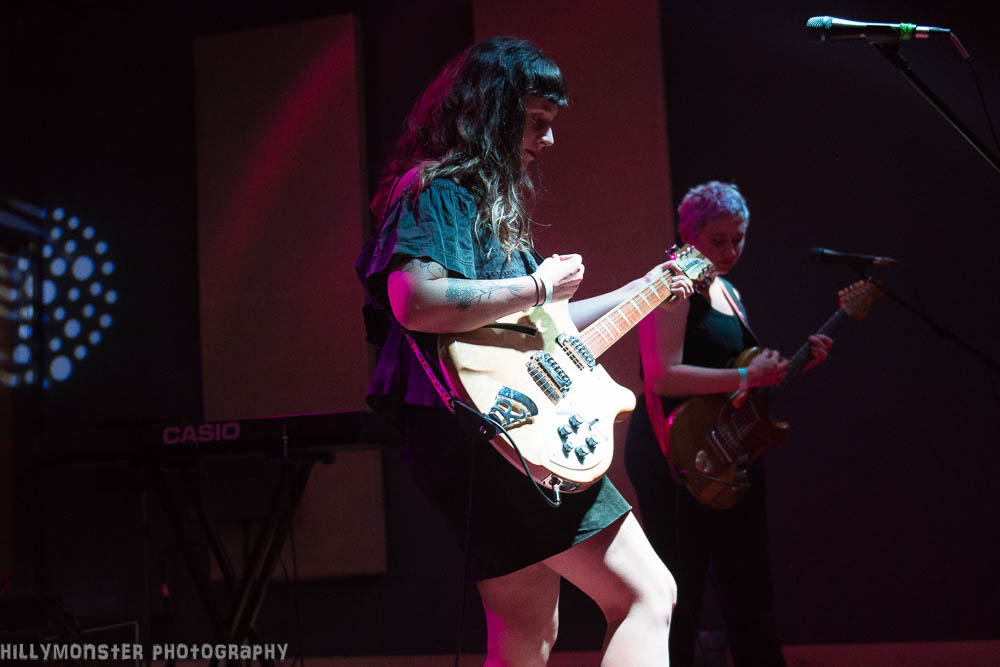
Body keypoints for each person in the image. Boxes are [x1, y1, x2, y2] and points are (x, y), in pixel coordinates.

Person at [357, 37, 696, 666]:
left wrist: (646, 289)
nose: (548, 139)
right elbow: (415, 299)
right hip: (494, 433)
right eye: (536, 121)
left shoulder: (477, 201)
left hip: (482, 435)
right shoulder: (435, 189)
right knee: (647, 595)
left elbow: (548, 328)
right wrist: (538, 284)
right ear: (492, 113)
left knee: (526, 638)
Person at [624, 181, 833, 667]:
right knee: (680, 589)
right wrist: (745, 375)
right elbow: (661, 376)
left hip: (726, 449)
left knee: (749, 586)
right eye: (717, 241)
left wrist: (788, 369)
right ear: (688, 234)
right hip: (675, 451)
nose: (730, 251)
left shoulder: (728, 290)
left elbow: (733, 384)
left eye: (738, 239)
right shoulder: (671, 285)